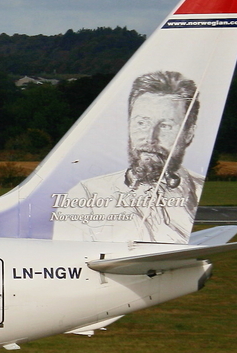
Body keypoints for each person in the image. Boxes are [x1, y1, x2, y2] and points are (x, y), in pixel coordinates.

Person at [51, 70, 203, 243]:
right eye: (141, 123)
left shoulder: (197, 190)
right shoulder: (86, 194)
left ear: (189, 133)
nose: (150, 138)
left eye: (166, 126)